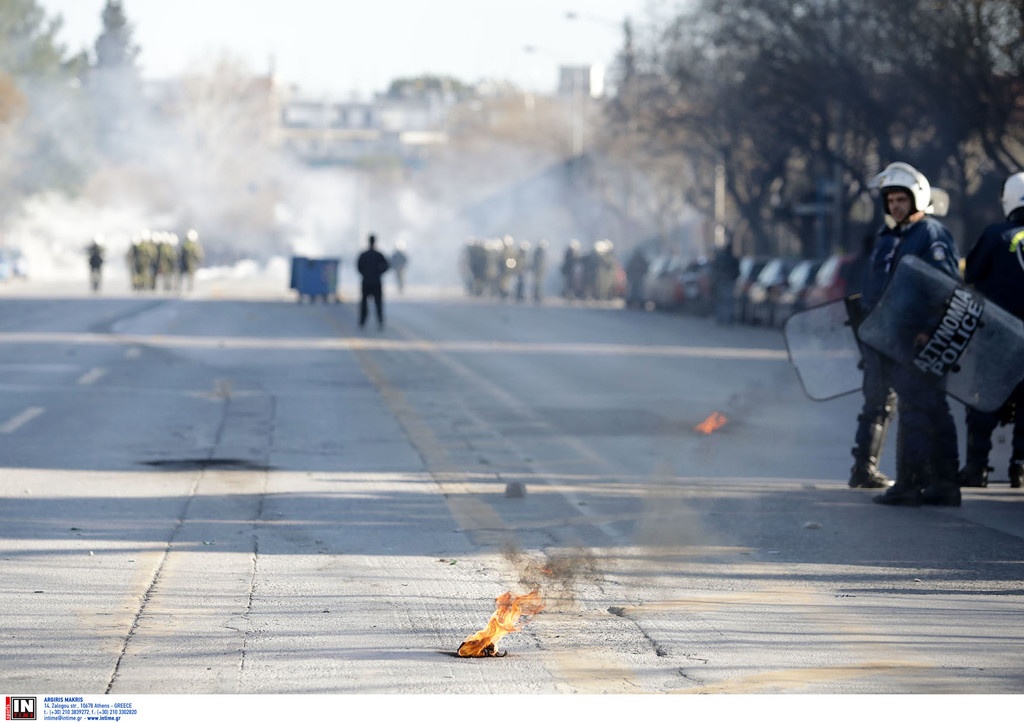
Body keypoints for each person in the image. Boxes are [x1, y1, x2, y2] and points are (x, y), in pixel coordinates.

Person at [870, 162, 962, 507]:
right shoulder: (902, 237)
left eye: (901, 200)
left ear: (917, 199)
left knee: (920, 409)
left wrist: (928, 329)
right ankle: (941, 483)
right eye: (891, 200)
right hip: (901, 338)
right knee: (929, 408)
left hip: (923, 339)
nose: (895, 206)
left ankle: (913, 483)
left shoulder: (931, 235)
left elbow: (943, 287)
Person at [957, 171, 1024, 489]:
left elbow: (971, 276)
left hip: (998, 336)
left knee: (984, 399)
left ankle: (977, 467)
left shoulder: (996, 235)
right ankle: (1020, 468)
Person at [848, 229, 897, 489]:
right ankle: (865, 468)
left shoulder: (863, 263)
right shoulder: (889, 251)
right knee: (881, 403)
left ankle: (863, 466)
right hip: (881, 337)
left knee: (877, 402)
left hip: (870, 336)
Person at [357, 233, 390, 329]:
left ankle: (362, 322)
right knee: (378, 303)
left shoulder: (364, 255)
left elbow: (359, 267)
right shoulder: (379, 255)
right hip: (376, 282)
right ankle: (380, 321)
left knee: (364, 303)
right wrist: (379, 272)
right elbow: (386, 266)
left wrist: (365, 274)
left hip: (366, 282)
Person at [711, 244, 740, 323]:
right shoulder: (733, 259)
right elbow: (737, 271)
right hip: (729, 281)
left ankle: (721, 318)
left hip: (721, 281)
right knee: (728, 301)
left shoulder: (721, 258)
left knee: (721, 300)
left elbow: (715, 269)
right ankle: (727, 318)